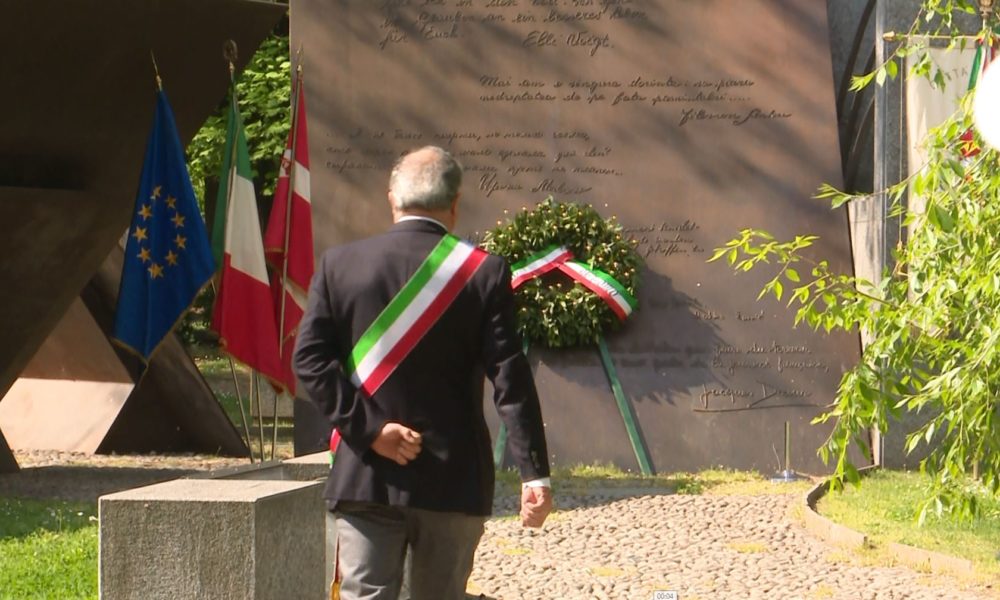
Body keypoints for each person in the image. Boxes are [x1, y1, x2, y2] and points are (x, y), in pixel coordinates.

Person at [294, 145, 552, 600]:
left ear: (392, 198)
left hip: (366, 475)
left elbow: (310, 361)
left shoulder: (340, 265)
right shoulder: (484, 273)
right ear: (455, 205)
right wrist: (534, 475)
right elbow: (510, 380)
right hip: (451, 478)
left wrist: (371, 431)